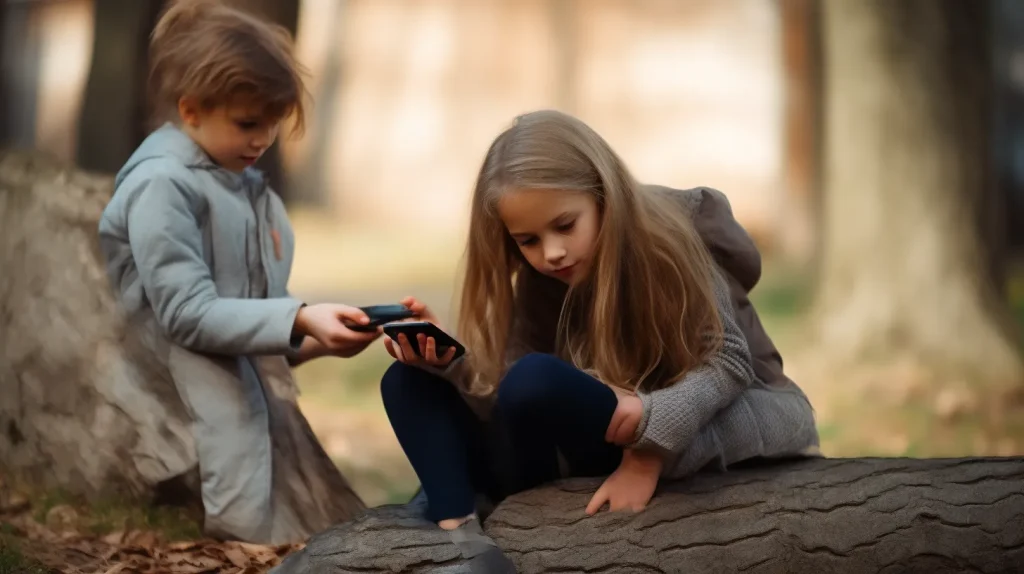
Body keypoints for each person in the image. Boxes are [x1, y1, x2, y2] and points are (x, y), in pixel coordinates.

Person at [380, 110, 820, 570]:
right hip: (563, 448)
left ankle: (453, 481)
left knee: (536, 379)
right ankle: (463, 544)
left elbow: (729, 361)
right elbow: (512, 397)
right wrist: (450, 366)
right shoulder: (542, 280)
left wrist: (647, 450)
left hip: (668, 429)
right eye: (528, 240)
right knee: (405, 381)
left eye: (565, 225)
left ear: (603, 196)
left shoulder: (670, 242)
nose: (551, 252)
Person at [98, 0, 380, 543]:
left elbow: (253, 313)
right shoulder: (163, 186)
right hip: (168, 354)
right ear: (192, 109)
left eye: (273, 125)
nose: (263, 140)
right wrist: (296, 318)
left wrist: (321, 335)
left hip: (225, 352)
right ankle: (237, 550)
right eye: (248, 123)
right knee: (235, 432)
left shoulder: (241, 185)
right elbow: (186, 316)